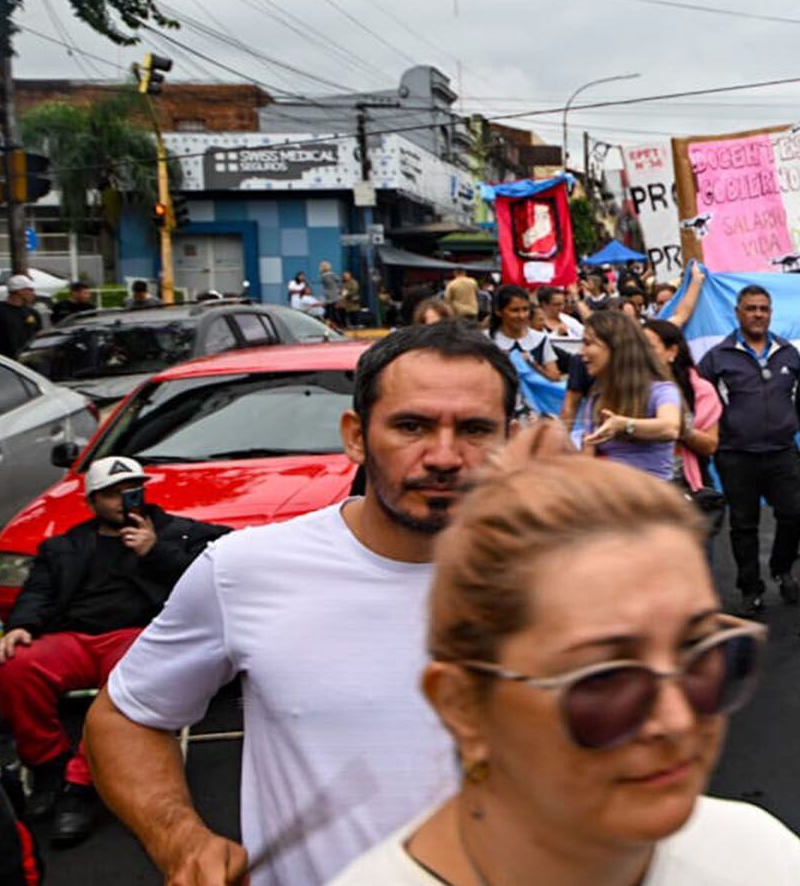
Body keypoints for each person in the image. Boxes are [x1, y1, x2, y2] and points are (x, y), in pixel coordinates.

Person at [84, 321, 521, 886]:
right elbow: (125, 717)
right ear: (356, 436)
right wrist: (182, 841)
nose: (443, 455)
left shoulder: (569, 580)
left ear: (510, 439)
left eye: (475, 429)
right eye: (411, 425)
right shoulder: (245, 569)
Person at [327, 454, 800, 886]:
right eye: (603, 679)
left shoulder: (762, 859)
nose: (676, 720)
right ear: (463, 705)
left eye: (703, 655)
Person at [0, 454, 227, 846]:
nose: (124, 500)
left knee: (127, 672)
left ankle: (81, 786)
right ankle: (48, 765)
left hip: (139, 635)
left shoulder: (179, 533)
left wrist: (154, 552)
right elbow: (38, 591)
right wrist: (20, 626)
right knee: (14, 665)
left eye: (131, 490)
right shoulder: (66, 546)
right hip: (74, 637)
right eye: (112, 494)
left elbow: (213, 577)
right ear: (92, 501)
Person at [696, 285, 800, 614]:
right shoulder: (717, 358)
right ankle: (750, 588)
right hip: (736, 455)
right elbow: (698, 400)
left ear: (771, 312)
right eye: (751, 308)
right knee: (744, 525)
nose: (758, 314)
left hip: (782, 451)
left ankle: (782, 568)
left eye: (763, 308)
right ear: (737, 312)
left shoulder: (787, 352)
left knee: (794, 514)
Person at [565, 310, 682, 480]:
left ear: (615, 347)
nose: (582, 352)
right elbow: (587, 462)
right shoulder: (597, 398)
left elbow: (670, 428)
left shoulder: (662, 390)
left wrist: (623, 425)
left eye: (588, 343)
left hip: (651, 496)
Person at [645, 318, 721, 495]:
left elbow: (710, 445)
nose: (642, 354)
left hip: (683, 485)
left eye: (649, 347)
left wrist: (678, 428)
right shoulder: (628, 387)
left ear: (672, 351)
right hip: (639, 484)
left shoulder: (700, 390)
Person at [489, 284, 563, 386]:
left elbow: (554, 377)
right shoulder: (487, 341)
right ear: (498, 311)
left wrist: (532, 365)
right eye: (514, 310)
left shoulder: (540, 339)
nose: (521, 316)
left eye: (525, 309)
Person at [0, 274, 41, 358]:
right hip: (5, 362)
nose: (33, 293)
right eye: (30, 290)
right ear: (20, 291)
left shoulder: (33, 313)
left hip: (27, 360)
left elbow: (38, 336)